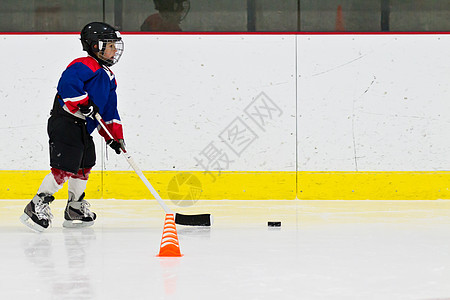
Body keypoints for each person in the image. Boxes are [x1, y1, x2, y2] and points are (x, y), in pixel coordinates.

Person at [20, 22, 125, 232]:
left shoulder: (109, 78)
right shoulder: (83, 64)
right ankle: (36, 205)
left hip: (83, 126)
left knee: (85, 164)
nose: (115, 50)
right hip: (65, 122)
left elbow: (109, 112)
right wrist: (83, 102)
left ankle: (74, 207)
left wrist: (114, 137)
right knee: (64, 168)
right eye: (111, 45)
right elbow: (67, 85)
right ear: (96, 46)